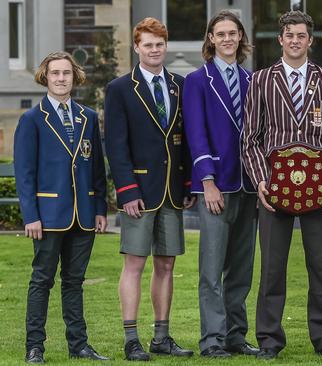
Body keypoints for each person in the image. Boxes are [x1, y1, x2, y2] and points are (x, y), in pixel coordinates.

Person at [242, 10, 322, 360]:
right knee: (272, 267)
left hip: (317, 188)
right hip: (275, 190)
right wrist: (260, 181)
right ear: (281, 39)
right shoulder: (260, 80)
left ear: (310, 40)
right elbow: (250, 139)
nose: (295, 40)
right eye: (289, 35)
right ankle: (269, 340)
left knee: (320, 265)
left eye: (301, 35)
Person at [104, 17, 195, 361]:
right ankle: (131, 339)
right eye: (148, 45)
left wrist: (187, 183)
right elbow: (115, 144)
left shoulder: (180, 85)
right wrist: (127, 190)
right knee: (135, 265)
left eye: (159, 44)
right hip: (138, 192)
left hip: (172, 191)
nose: (154, 50)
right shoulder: (120, 88)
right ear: (137, 47)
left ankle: (161, 336)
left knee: (167, 265)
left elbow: (186, 140)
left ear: (165, 46)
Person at [15, 51, 109, 363]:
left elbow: (96, 168)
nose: (60, 78)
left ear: (74, 77)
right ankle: (35, 347)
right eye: (55, 73)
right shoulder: (32, 119)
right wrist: (31, 215)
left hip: (83, 216)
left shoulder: (88, 117)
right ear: (45, 76)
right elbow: (25, 173)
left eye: (66, 73)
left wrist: (99, 209)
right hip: (48, 215)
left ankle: (79, 345)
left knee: (74, 282)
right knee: (42, 280)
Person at [182, 10, 259, 358]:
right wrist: (207, 181)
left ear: (241, 37)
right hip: (217, 186)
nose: (227, 38)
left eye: (233, 33)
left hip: (247, 185)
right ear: (211, 39)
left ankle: (235, 335)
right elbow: (195, 134)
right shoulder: (198, 80)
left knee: (241, 269)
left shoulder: (251, 79)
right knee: (211, 270)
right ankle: (212, 339)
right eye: (220, 33)